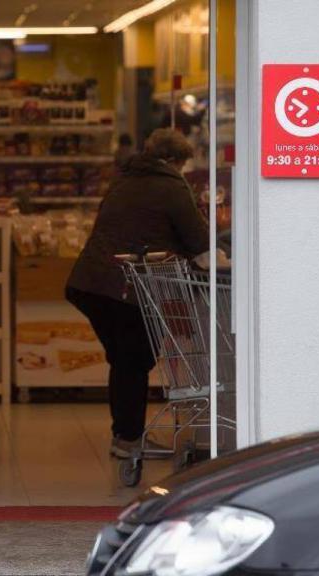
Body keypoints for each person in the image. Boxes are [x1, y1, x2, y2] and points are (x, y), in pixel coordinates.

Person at [66, 128, 209, 460]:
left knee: (125, 361)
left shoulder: (125, 179)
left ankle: (125, 436)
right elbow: (198, 240)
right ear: (174, 161)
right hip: (126, 288)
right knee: (133, 361)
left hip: (91, 283)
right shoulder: (171, 185)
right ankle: (128, 440)